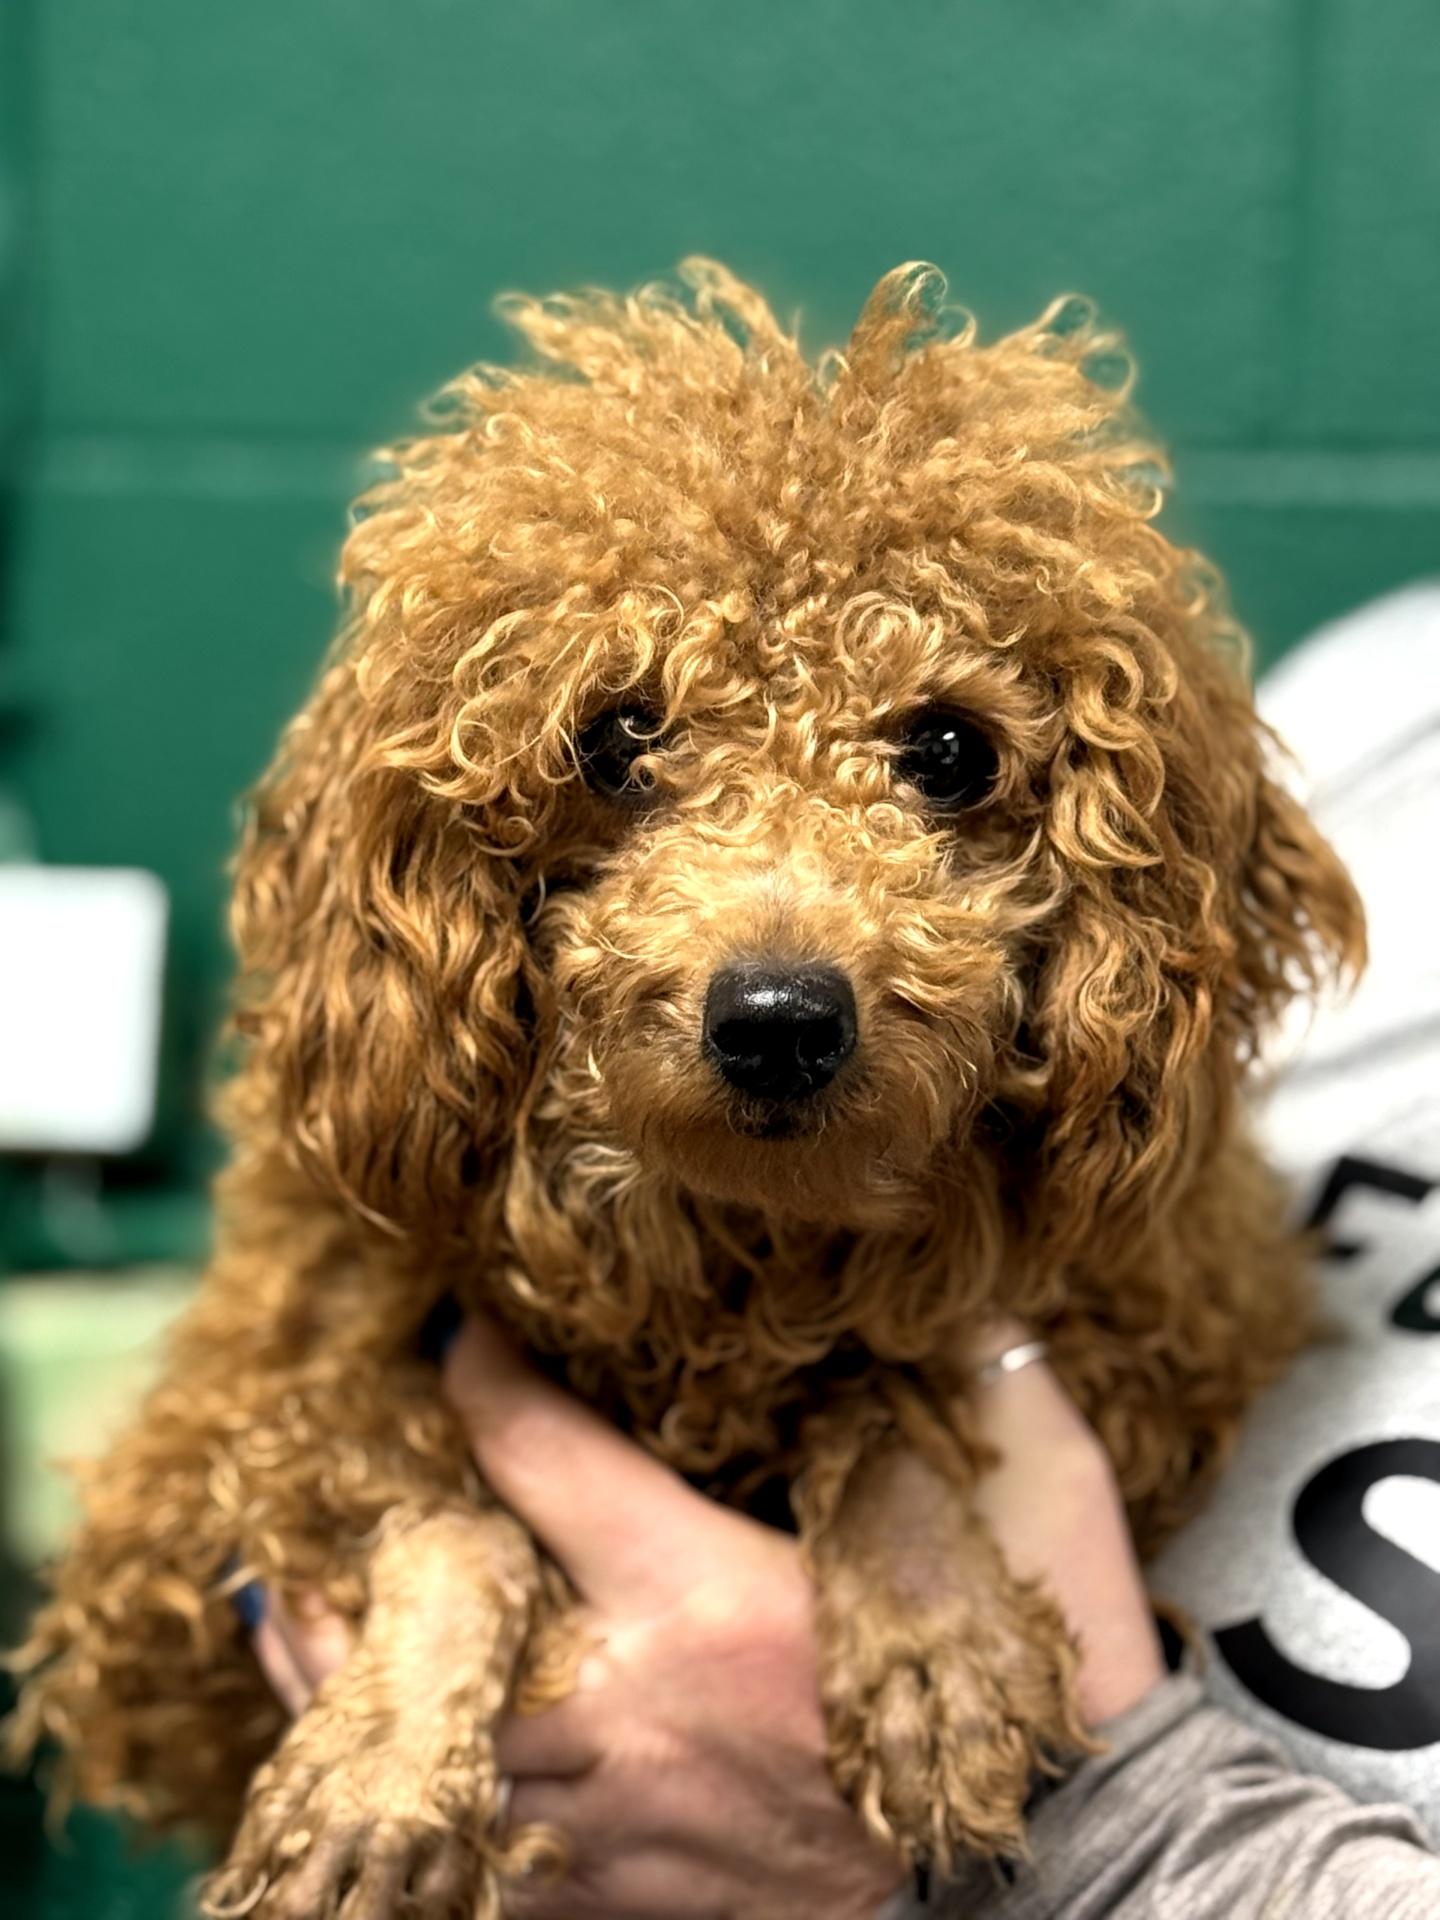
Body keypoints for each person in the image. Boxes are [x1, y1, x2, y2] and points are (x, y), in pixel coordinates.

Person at [253, 587, 1440, 1916]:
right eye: (624, 756)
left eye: (943, 762)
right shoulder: (1385, 692)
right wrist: (439, 1563)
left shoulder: (1152, 1234)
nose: (778, 944)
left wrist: (1100, 1837)